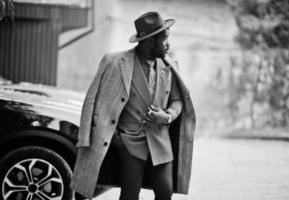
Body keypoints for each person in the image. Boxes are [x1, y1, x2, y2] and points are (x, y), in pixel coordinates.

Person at [70, 11, 196, 200]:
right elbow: (96, 103)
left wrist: (168, 116)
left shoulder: (170, 66)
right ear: (150, 40)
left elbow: (178, 100)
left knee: (165, 193)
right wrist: (116, 138)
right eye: (165, 38)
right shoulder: (115, 62)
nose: (169, 44)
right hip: (129, 142)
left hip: (161, 141)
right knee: (129, 195)